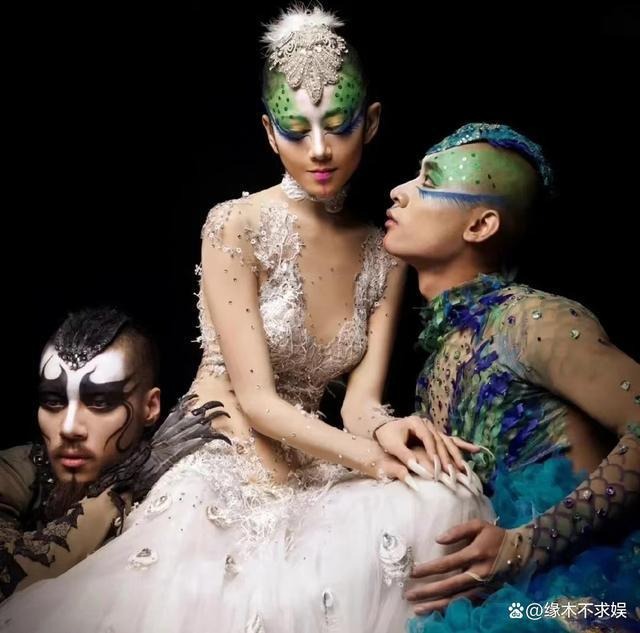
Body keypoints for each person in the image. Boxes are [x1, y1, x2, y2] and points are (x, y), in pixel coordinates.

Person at [0, 8, 492, 633]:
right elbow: (256, 400)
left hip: (319, 458)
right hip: (225, 458)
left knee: (446, 494)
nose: (319, 150)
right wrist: (371, 459)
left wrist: (390, 431)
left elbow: (360, 404)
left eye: (338, 126)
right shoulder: (235, 225)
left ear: (369, 123)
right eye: (296, 131)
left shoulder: (383, 252)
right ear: (269, 133)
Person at [380, 122, 639, 631]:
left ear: (480, 226)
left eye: (429, 181)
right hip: (499, 599)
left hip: (592, 600)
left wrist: (530, 543)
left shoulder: (530, 320)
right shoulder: (435, 363)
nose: (398, 191)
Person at [0, 307, 228, 604]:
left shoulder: (183, 485)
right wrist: (128, 480)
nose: (69, 428)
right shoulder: (14, 470)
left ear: (150, 407)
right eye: (53, 401)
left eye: (100, 402)